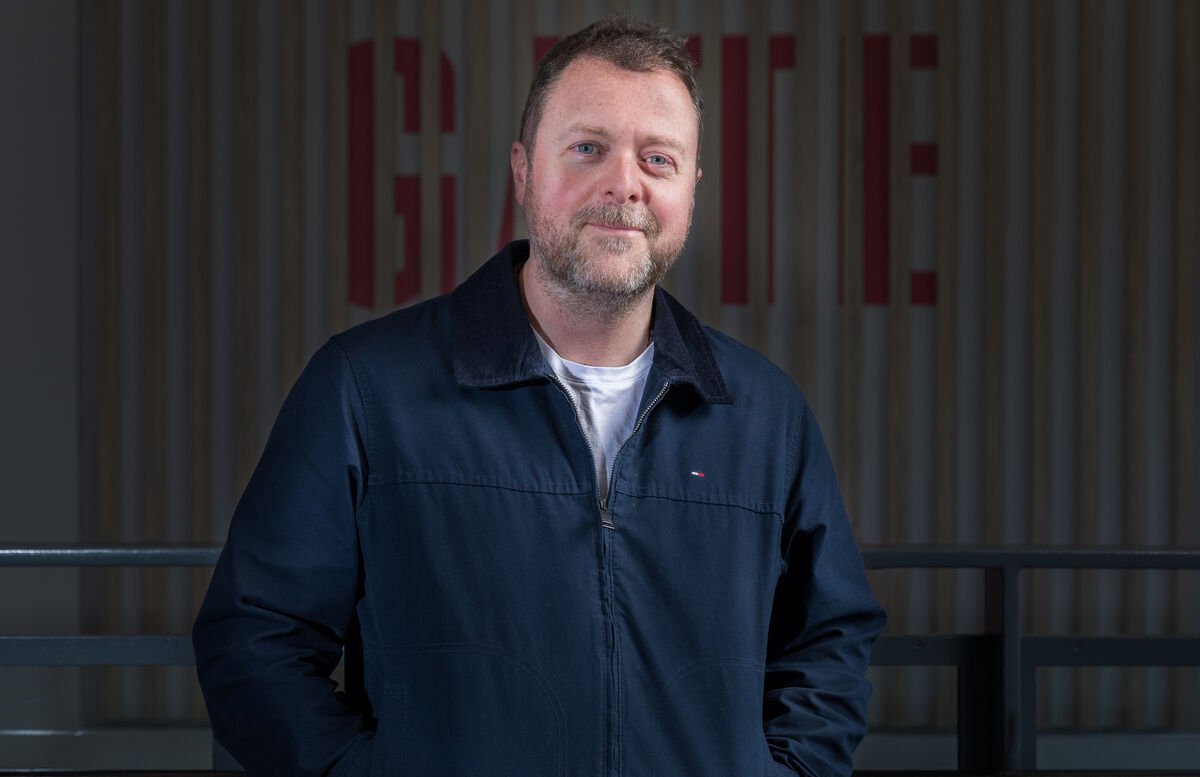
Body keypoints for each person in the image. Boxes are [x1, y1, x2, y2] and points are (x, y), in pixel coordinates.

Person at [193, 17, 886, 777]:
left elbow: (830, 645)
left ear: (689, 189)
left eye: (658, 158)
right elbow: (254, 640)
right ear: (523, 172)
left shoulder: (766, 417)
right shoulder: (365, 391)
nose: (625, 183)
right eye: (588, 148)